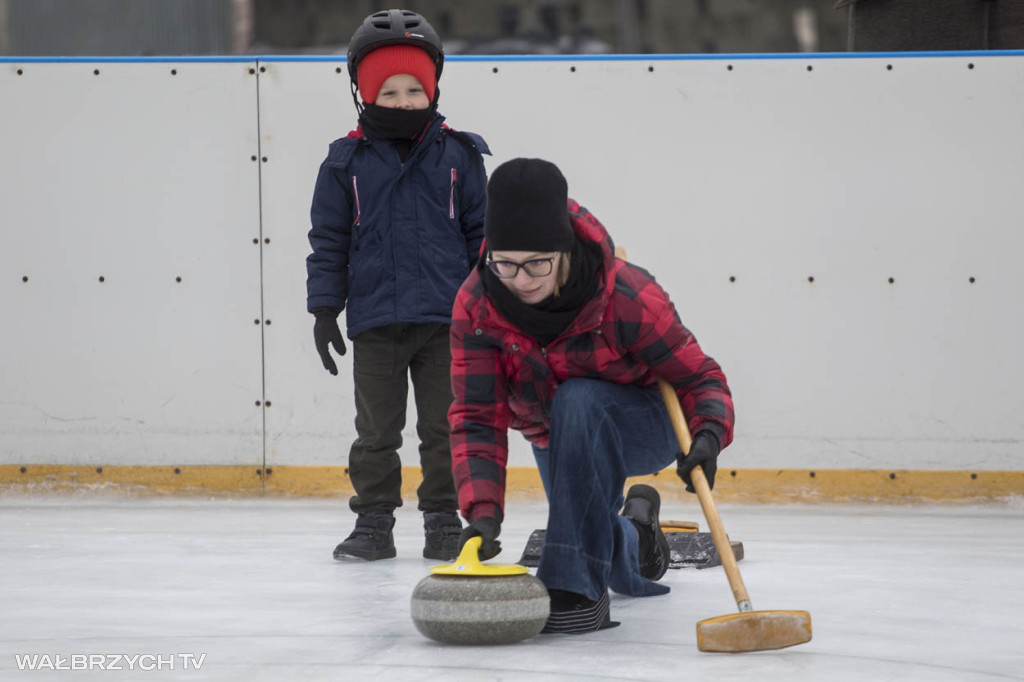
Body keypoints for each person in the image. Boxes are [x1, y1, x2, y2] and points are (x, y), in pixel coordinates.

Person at [448, 158, 735, 632]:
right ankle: (639, 536)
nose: (521, 279)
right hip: (554, 433)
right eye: (506, 263)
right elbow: (477, 417)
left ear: (562, 251)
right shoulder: (477, 304)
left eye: (537, 262)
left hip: (642, 421)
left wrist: (708, 434)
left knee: (580, 400)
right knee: (581, 528)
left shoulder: (625, 293)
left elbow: (697, 377)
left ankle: (576, 593)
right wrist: (482, 511)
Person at [306, 9, 490, 562]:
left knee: (443, 429)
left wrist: (488, 305)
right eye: (390, 91)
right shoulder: (345, 162)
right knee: (376, 433)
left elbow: (481, 237)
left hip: (446, 320)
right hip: (377, 321)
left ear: (432, 89)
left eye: (415, 89)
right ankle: (374, 522)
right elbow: (329, 239)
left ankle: (441, 521)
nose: (405, 101)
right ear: (365, 95)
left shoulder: (459, 156)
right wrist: (323, 309)